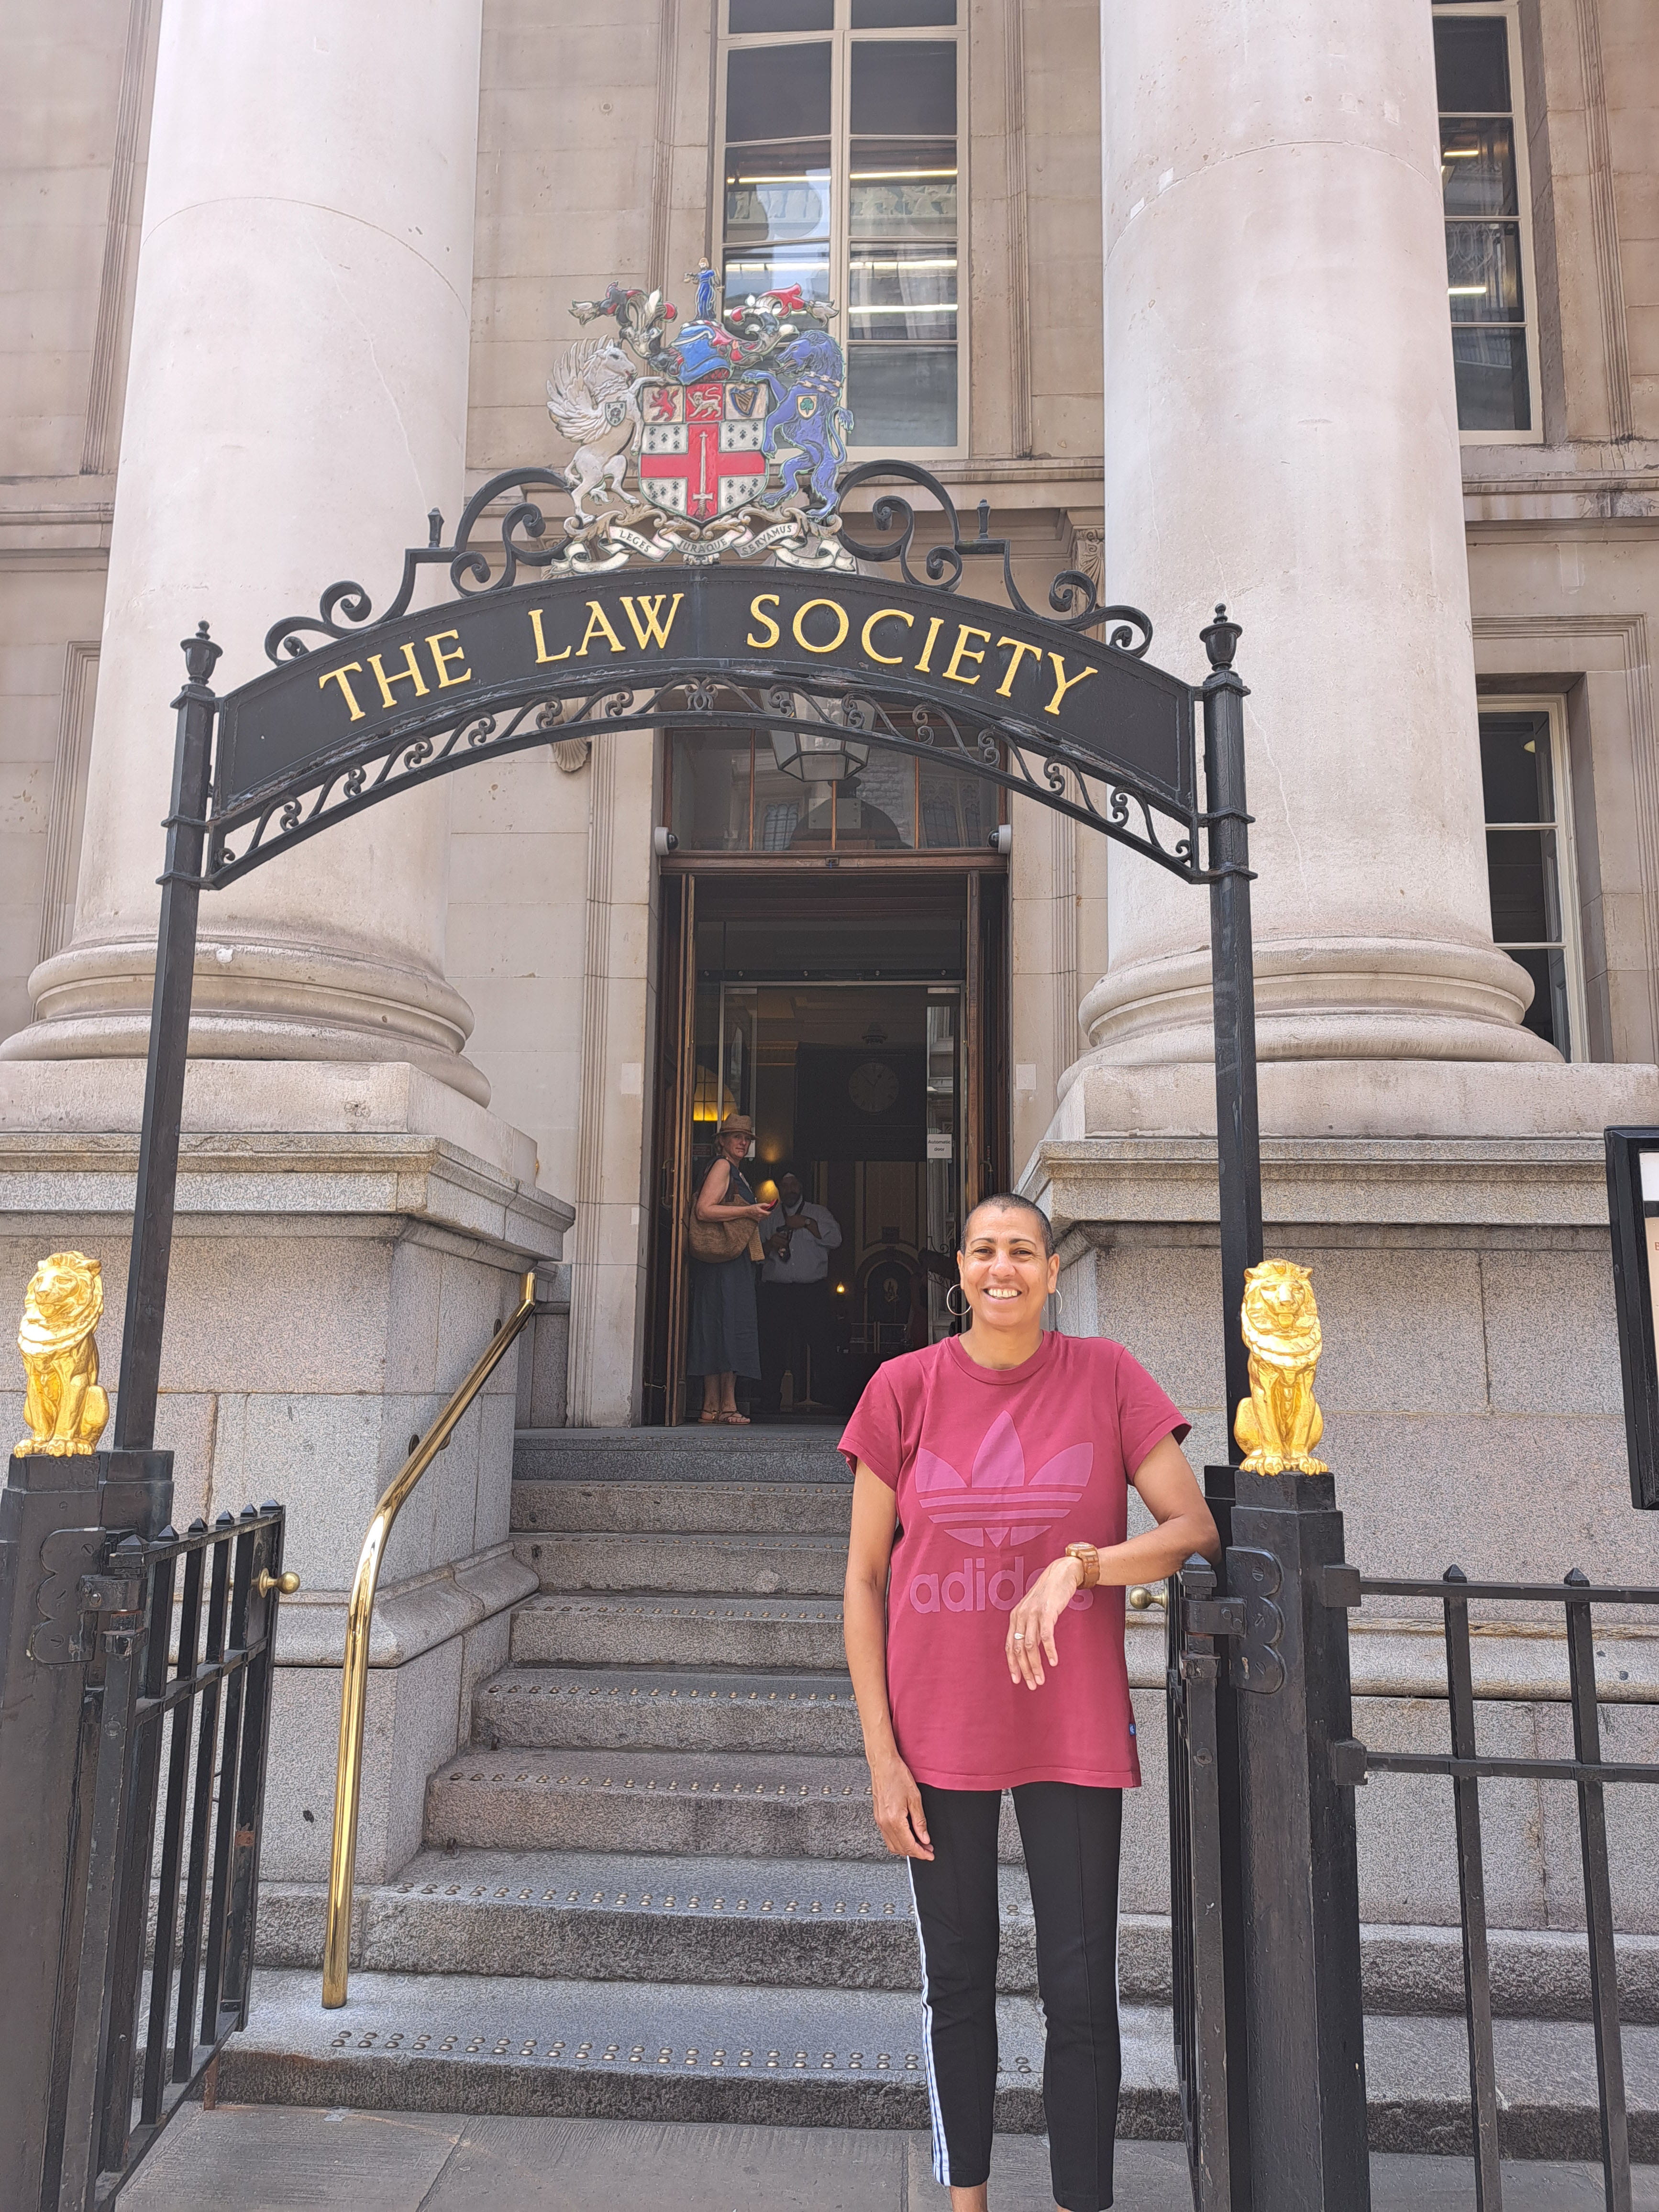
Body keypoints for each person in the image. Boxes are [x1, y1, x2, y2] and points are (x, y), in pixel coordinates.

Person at [840, 1193, 1220, 2212]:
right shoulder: (902, 1389)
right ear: (957, 1270)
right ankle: (966, 2200)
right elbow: (865, 1582)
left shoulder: (1106, 1375)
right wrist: (882, 1755)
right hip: (936, 1727)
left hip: (1071, 1721)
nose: (1002, 1267)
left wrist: (1084, 1567)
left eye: (1022, 1251)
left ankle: (1077, 2201)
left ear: (1054, 1271)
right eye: (983, 1250)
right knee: (958, 1983)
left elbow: (1193, 1527)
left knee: (1081, 1992)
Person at [686, 1113, 770, 1425]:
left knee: (716, 1327)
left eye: (746, 1138)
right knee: (730, 1327)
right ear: (721, 1141)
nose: (742, 1142)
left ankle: (712, 1406)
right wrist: (749, 1210)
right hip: (726, 1263)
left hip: (724, 1262)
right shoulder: (723, 1167)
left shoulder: (733, 1171)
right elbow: (704, 1209)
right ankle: (728, 1406)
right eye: (735, 1137)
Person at [758, 1168, 842, 1412]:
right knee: (772, 1345)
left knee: (822, 1344)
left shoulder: (818, 1213)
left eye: (794, 1184)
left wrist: (806, 1224)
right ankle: (769, 1399)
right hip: (776, 1292)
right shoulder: (769, 1216)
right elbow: (755, 1255)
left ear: (801, 1187)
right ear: (780, 1189)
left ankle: (827, 1397)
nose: (790, 1189)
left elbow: (835, 1240)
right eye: (786, 1185)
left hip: (811, 1292)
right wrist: (771, 1244)